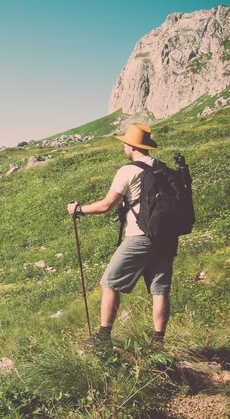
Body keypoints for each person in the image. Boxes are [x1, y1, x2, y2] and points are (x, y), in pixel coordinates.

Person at [67, 123, 177, 348]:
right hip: (166, 236)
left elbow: (107, 205)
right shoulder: (163, 169)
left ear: (130, 145)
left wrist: (78, 209)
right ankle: (158, 341)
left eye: (125, 143)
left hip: (140, 237)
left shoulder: (128, 170)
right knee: (159, 289)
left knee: (110, 282)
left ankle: (103, 338)